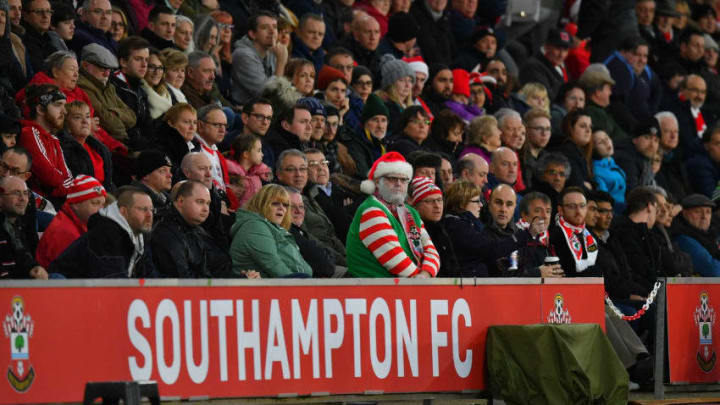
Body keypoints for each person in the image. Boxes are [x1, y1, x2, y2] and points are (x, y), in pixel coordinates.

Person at [347, 152, 440, 277]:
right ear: (377, 181)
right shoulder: (371, 210)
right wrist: (421, 282)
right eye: (392, 178)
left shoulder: (410, 212)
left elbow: (431, 251)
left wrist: (425, 275)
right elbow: (395, 260)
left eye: (403, 179)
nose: (399, 184)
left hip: (406, 288)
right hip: (371, 291)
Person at [50, 186, 156, 278]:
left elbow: (149, 276)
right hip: (67, 291)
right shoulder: (105, 234)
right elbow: (112, 279)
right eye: (143, 209)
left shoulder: (140, 234)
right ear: (124, 212)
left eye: (151, 210)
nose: (149, 215)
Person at [229, 184, 312, 278]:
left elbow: (304, 268)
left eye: (285, 205)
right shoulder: (254, 226)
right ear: (261, 204)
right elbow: (275, 266)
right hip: (257, 290)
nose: (281, 208)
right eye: (275, 203)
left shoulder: (277, 229)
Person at [152, 180, 231, 278]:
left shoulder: (195, 227)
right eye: (200, 202)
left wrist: (240, 279)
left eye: (208, 203)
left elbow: (214, 267)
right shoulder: (165, 231)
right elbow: (183, 280)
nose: (206, 209)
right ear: (181, 201)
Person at [36, 175, 106, 268]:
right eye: (95, 203)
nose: (101, 210)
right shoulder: (65, 233)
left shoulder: (79, 222)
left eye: (103, 204)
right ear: (76, 204)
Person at [19, 84, 72, 200]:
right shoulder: (28, 134)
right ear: (40, 109)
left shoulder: (54, 139)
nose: (65, 112)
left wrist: (59, 185)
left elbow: (69, 180)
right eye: (58, 105)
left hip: (54, 202)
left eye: (64, 106)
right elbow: (50, 178)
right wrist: (59, 185)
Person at [77, 43, 137, 146]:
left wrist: (114, 113)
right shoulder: (83, 87)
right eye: (102, 69)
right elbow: (109, 123)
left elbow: (132, 117)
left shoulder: (109, 87)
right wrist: (121, 116)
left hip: (121, 140)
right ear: (85, 65)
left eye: (109, 69)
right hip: (110, 144)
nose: (107, 74)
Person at [609, 187, 663, 296]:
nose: (655, 216)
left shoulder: (647, 233)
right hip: (637, 293)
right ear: (649, 206)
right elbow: (637, 269)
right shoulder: (623, 232)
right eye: (656, 210)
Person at [232, 11, 287, 105]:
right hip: (247, 112)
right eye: (265, 27)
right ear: (252, 34)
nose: (272, 31)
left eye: (274, 27)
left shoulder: (272, 51)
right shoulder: (243, 55)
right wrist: (281, 63)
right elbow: (268, 96)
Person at [59, 101, 114, 192]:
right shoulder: (63, 149)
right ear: (66, 123)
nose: (85, 121)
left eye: (87, 116)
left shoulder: (100, 149)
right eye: (77, 117)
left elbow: (108, 183)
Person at [110, 36, 153, 150]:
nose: (144, 65)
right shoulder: (113, 86)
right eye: (138, 59)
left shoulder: (140, 89)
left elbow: (147, 125)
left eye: (146, 60)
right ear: (123, 62)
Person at [549, 186, 602, 277]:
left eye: (582, 206)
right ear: (560, 210)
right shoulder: (555, 236)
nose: (578, 211)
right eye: (572, 207)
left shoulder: (591, 236)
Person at [0, 176, 47, 279]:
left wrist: (33, 268)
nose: (22, 199)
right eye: (16, 193)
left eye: (25, 193)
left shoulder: (16, 224)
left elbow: (21, 256)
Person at [286, 187, 338, 278]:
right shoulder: (290, 233)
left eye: (301, 206)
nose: (298, 211)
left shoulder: (300, 231)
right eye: (292, 206)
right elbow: (326, 267)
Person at [340, 93, 389, 179]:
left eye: (383, 120)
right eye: (375, 120)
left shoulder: (384, 145)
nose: (380, 126)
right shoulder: (355, 144)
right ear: (364, 123)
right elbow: (363, 176)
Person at [515, 191, 562, 278]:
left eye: (548, 211)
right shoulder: (515, 239)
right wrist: (537, 273)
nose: (545, 216)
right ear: (524, 215)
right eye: (538, 211)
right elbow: (510, 275)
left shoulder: (550, 240)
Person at [671, 193, 720, 276]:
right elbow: (713, 270)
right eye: (698, 212)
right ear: (685, 213)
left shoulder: (711, 234)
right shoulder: (683, 239)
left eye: (708, 212)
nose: (704, 216)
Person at [519, 28, 571, 101]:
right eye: (558, 49)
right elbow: (547, 96)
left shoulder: (561, 65)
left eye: (565, 50)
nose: (562, 55)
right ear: (547, 46)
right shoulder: (532, 66)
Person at [579, 69, 628, 142]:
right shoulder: (593, 113)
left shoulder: (601, 110)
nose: (610, 93)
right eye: (608, 89)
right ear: (598, 92)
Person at [614, 118, 660, 192]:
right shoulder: (626, 159)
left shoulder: (644, 159)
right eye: (647, 138)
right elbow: (633, 194)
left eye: (656, 140)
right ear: (635, 139)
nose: (652, 145)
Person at [552, 108, 594, 190]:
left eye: (590, 127)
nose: (588, 130)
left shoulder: (581, 152)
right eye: (583, 126)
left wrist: (590, 186)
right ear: (570, 128)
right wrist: (587, 186)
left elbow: (592, 183)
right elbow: (578, 186)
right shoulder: (566, 151)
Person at [654, 111, 691, 202]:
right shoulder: (652, 161)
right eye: (667, 131)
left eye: (676, 132)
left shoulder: (678, 159)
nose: (673, 136)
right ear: (656, 133)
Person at [264, 103, 312, 169]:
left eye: (310, 122)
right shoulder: (274, 147)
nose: (309, 127)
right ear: (286, 125)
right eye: (303, 122)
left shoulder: (305, 145)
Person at [592, 129, 627, 210]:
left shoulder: (611, 161)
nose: (606, 142)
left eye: (607, 138)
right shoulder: (597, 172)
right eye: (600, 142)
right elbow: (604, 202)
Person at [131, 150, 172, 217]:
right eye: (163, 171)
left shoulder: (167, 200)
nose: (170, 175)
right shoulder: (135, 201)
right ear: (146, 175)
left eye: (170, 171)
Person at [155, 103, 197, 168]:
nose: (192, 127)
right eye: (186, 122)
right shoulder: (161, 145)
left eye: (195, 122)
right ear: (171, 123)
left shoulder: (195, 147)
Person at [685, 122, 720, 198]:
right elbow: (714, 196)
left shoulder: (715, 162)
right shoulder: (700, 165)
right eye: (717, 144)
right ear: (706, 146)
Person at [20, 0, 56, 72]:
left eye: (48, 11)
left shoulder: (49, 38)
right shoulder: (25, 40)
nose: (45, 16)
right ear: (25, 16)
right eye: (39, 12)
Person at [521, 108, 552, 188]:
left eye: (548, 129)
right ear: (526, 130)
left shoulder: (549, 158)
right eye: (539, 128)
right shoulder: (520, 157)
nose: (544, 133)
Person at [141, 48, 172, 119]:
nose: (157, 72)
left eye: (160, 68)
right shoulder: (139, 92)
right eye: (152, 67)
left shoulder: (166, 94)